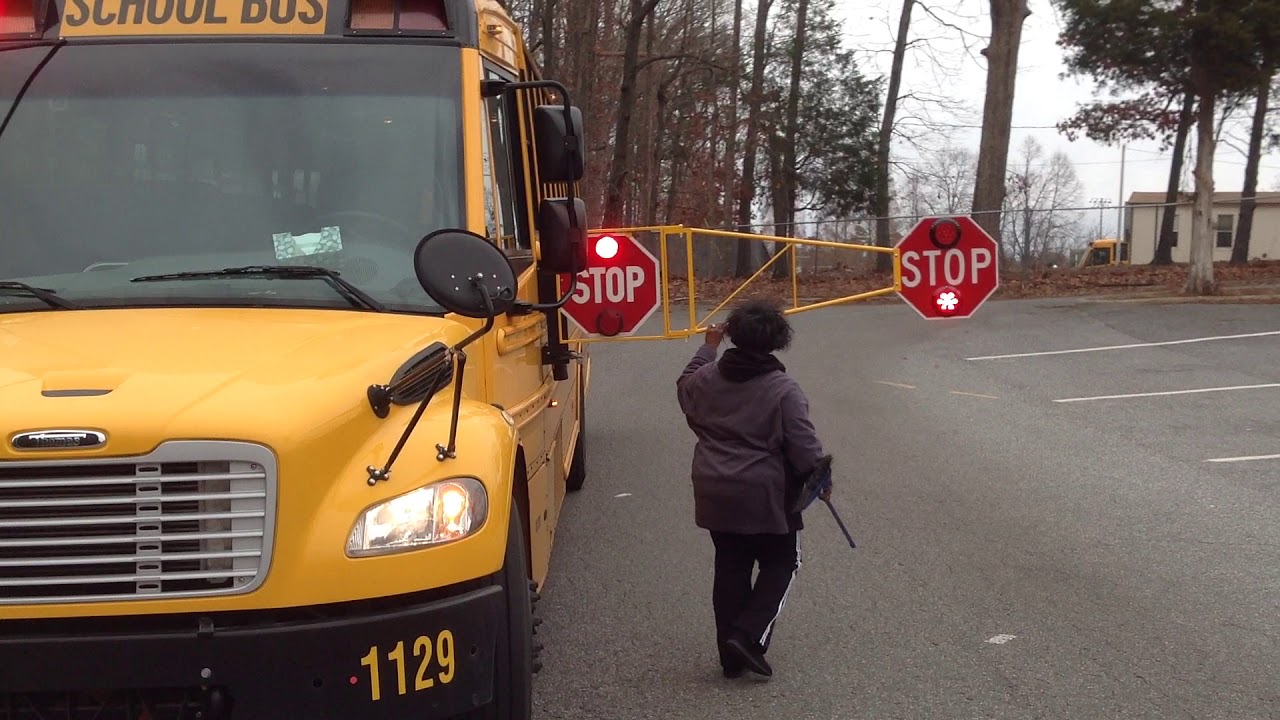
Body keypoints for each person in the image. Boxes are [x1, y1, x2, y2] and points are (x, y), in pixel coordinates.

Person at [675, 299, 830, 680]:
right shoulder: (783, 389)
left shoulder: (705, 378)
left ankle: (730, 656)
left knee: (731, 565)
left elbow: (684, 385)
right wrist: (820, 481)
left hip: (713, 487)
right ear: (778, 341)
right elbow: (804, 446)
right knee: (782, 562)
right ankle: (746, 637)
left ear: (732, 335)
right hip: (765, 495)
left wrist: (708, 344)